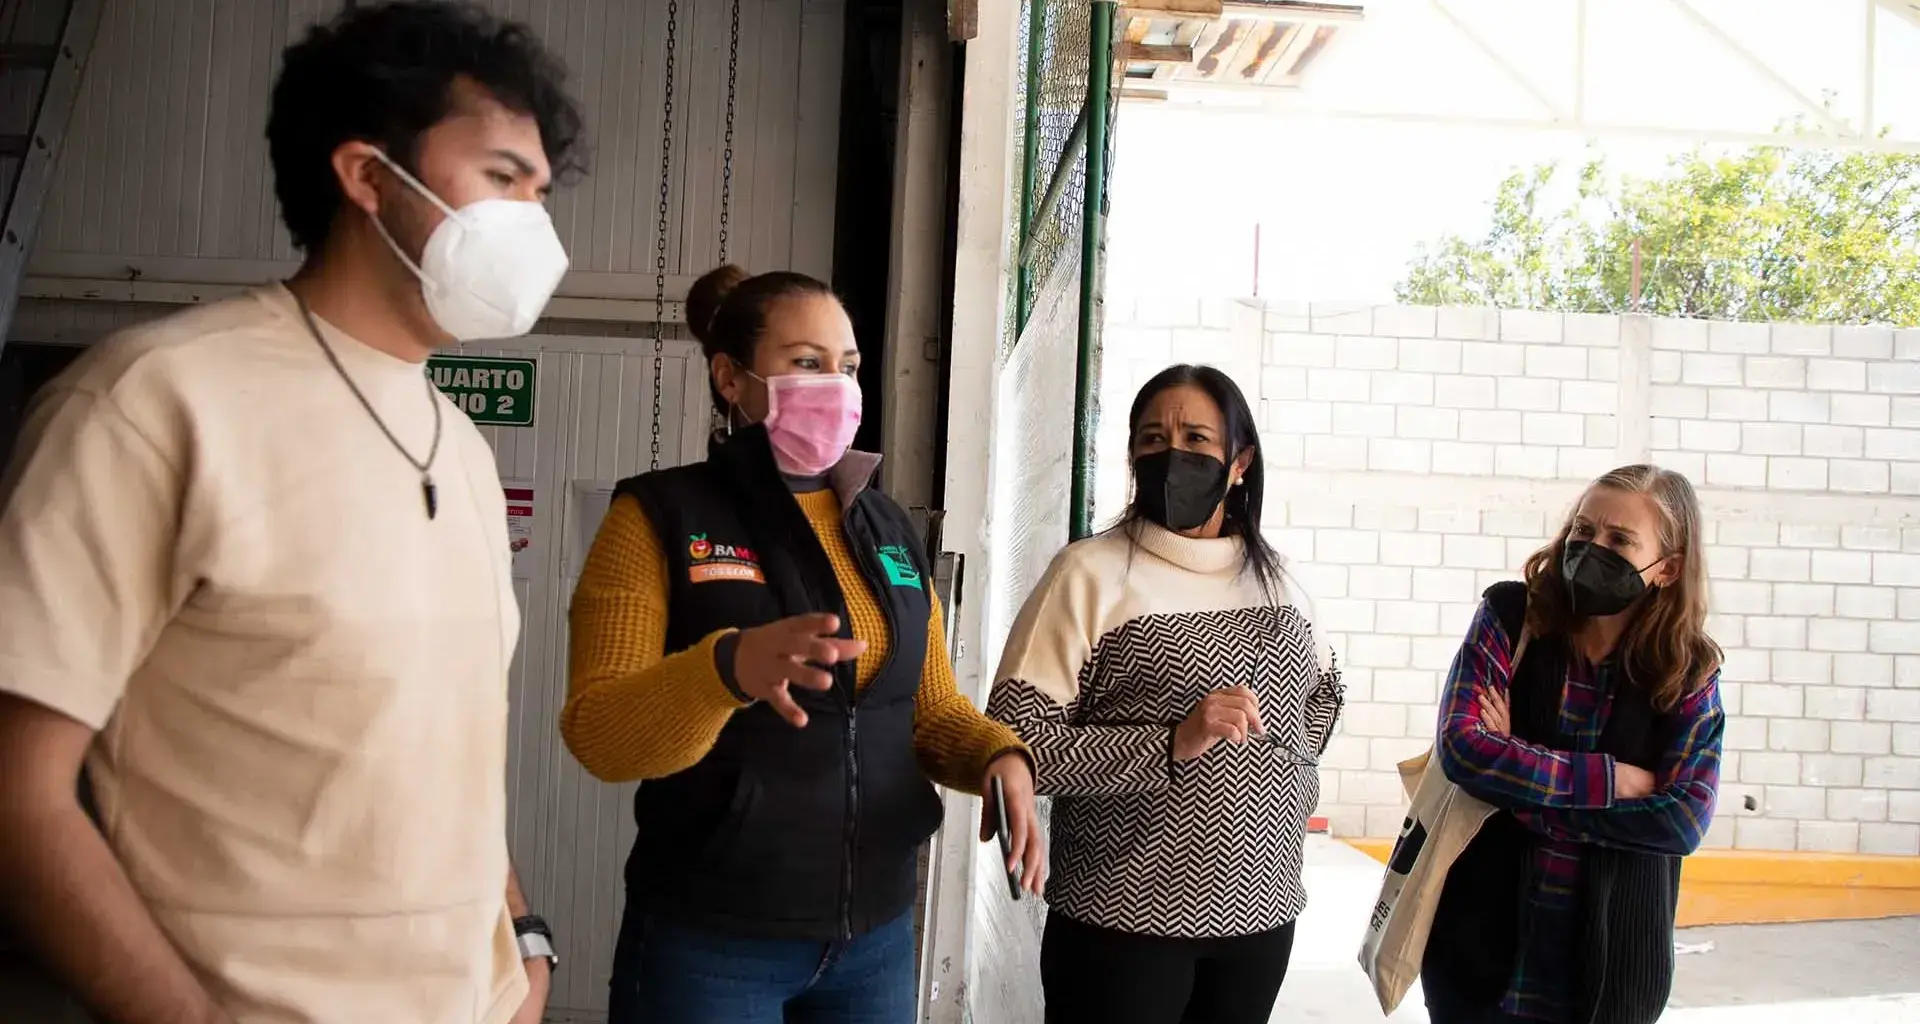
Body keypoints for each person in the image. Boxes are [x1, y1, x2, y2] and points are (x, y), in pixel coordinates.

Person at [0, 4, 583, 1023]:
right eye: (500, 179)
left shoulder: (466, 447)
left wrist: (520, 947)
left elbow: (433, 751)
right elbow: (17, 792)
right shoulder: (155, 403)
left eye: (539, 193)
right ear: (366, 175)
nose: (530, 224)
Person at [563, 264, 1046, 1023]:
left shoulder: (886, 529)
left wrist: (999, 756)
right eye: (807, 363)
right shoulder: (659, 516)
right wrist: (724, 670)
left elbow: (928, 711)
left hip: (875, 940)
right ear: (731, 378)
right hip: (712, 942)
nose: (837, 385)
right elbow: (600, 734)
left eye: (847, 366)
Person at [986, 364, 1345, 1024]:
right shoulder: (1089, 573)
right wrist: (1172, 744)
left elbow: (1319, 706)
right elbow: (1015, 741)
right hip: (1119, 925)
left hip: (1260, 920)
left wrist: (1271, 790)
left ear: (1239, 462)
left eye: (1196, 439)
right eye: (1152, 440)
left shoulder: (1282, 584)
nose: (1172, 455)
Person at [1423, 464, 1726, 1024]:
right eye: (1584, 531)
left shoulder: (1688, 670)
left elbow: (1682, 820)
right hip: (1476, 961)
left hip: (1609, 979)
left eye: (1620, 540)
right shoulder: (1512, 616)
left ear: (1668, 568)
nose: (1592, 549)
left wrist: (1521, 794)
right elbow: (1464, 748)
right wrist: (1612, 780)